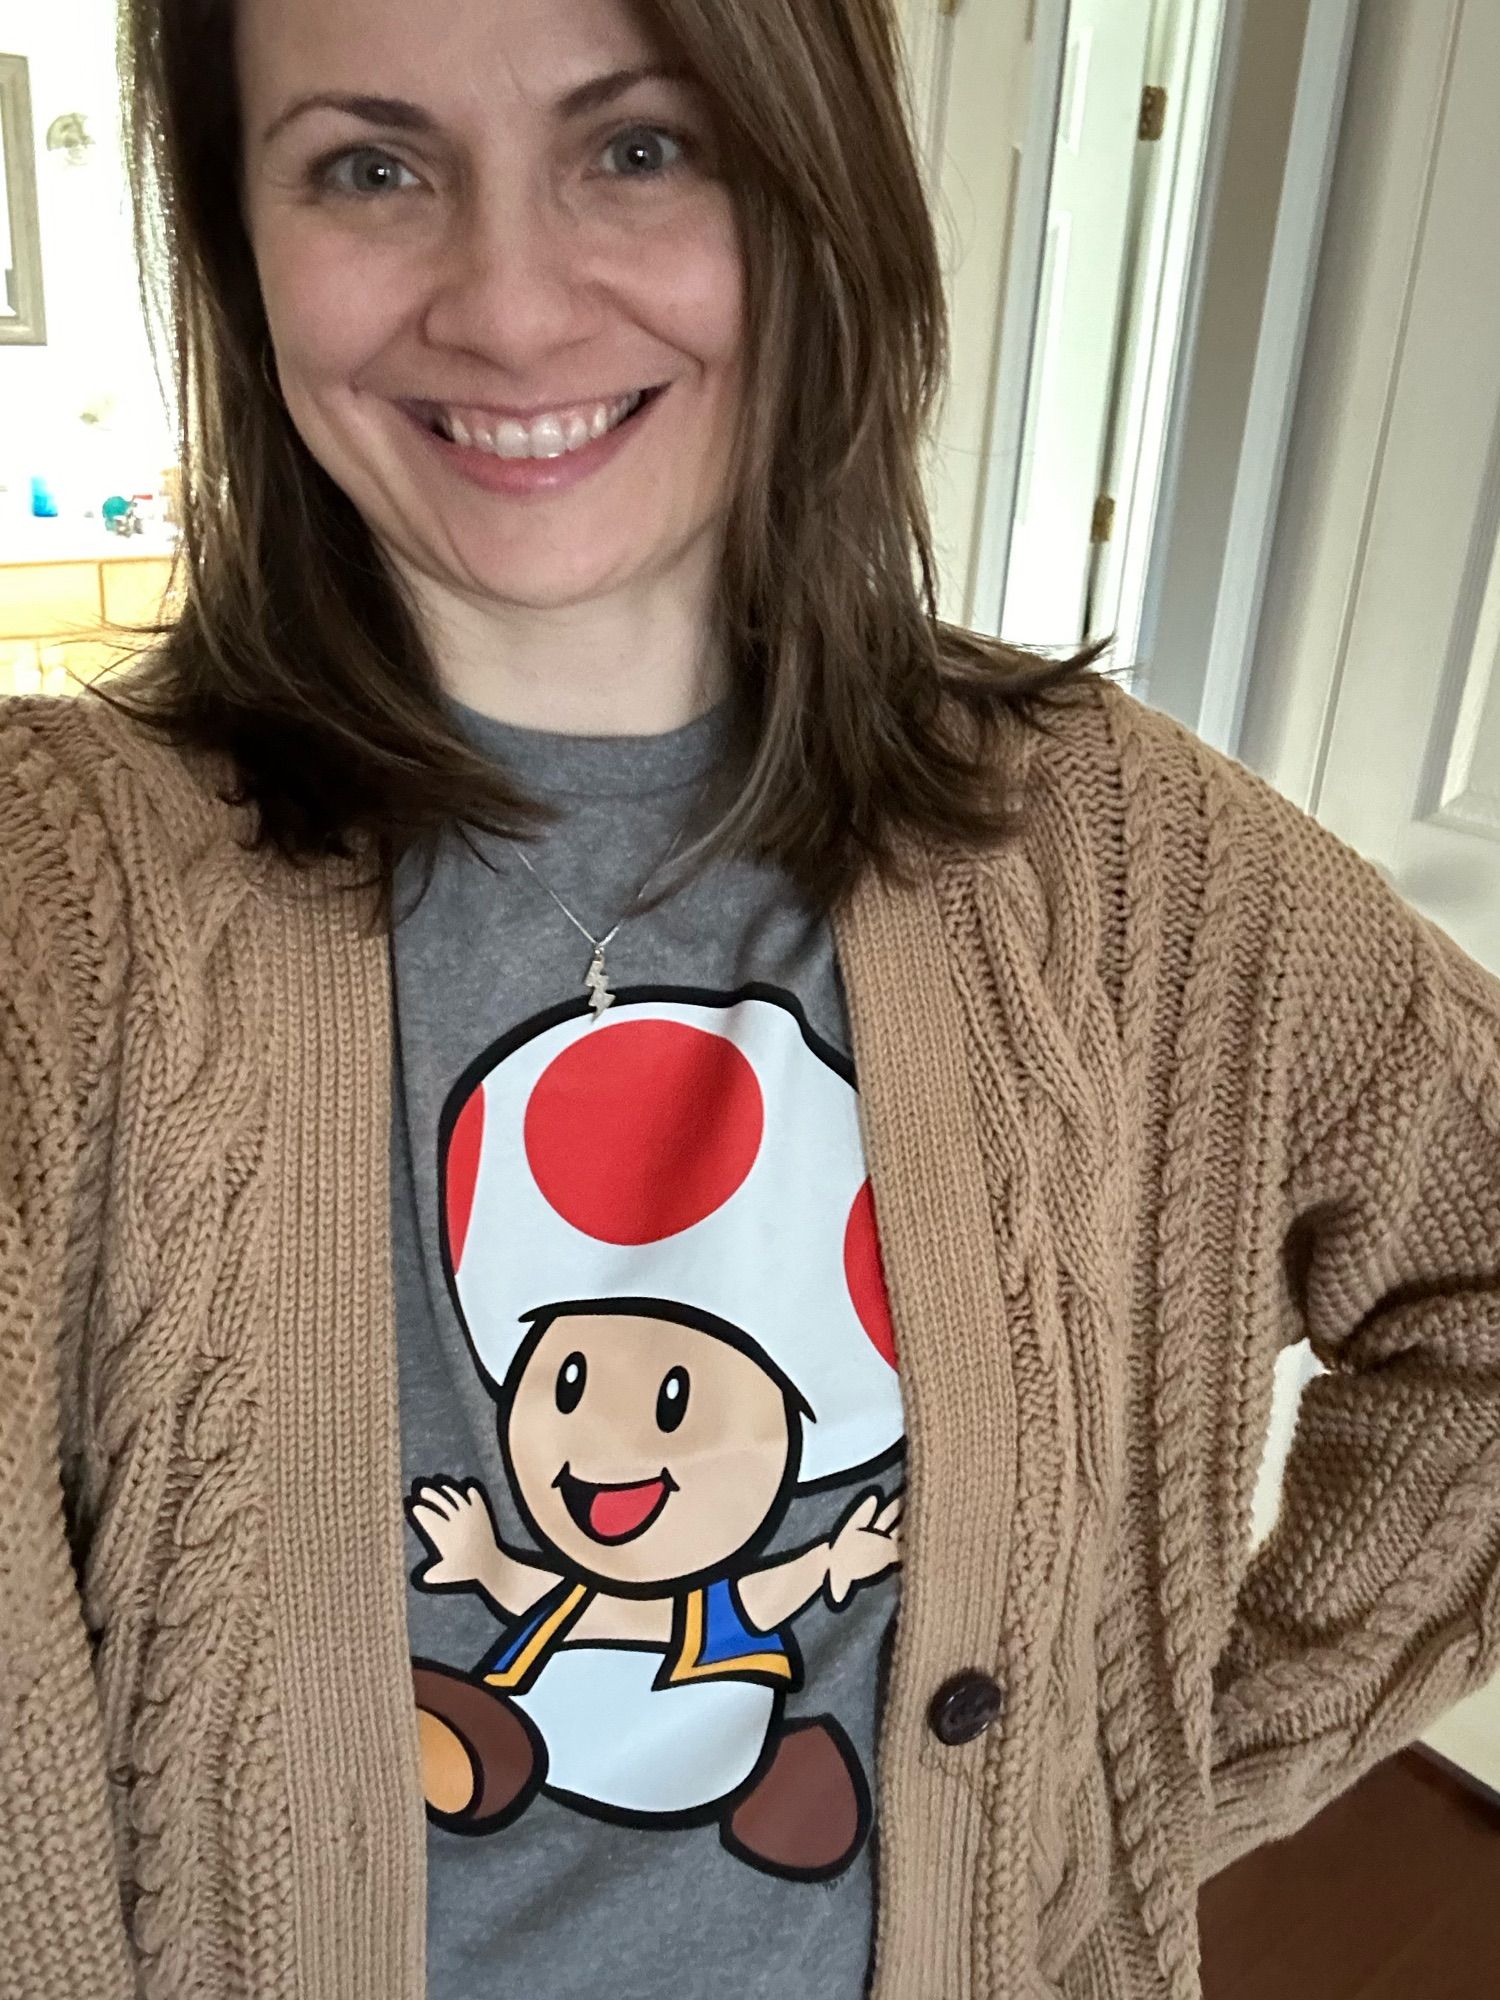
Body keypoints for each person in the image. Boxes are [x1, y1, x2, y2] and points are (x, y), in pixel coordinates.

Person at [1, 0, 1497, 1995]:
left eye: (639, 147)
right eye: (370, 165)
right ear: (237, 237)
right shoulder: (57, 910)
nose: (512, 309)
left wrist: (1150, 1776)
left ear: (816, 184)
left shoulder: (1134, 865)